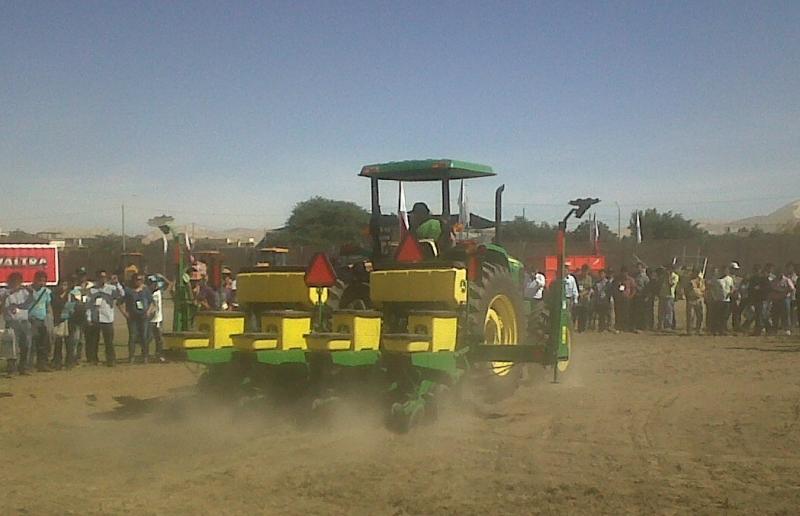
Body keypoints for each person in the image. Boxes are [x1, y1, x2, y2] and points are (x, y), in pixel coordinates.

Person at [85, 270, 123, 366]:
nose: (103, 279)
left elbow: (121, 294)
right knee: (94, 341)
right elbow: (89, 305)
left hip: (107, 318)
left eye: (104, 277)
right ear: (97, 278)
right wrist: (89, 318)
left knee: (109, 341)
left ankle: (111, 359)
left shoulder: (111, 288)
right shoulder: (92, 290)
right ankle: (94, 359)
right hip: (95, 318)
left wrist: (117, 283)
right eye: (101, 277)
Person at [2, 272, 33, 375]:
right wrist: (12, 291)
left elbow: (28, 304)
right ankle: (11, 369)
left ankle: (23, 367)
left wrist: (31, 293)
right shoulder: (4, 291)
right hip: (11, 322)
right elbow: (2, 302)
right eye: (14, 281)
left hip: (24, 321)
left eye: (18, 281)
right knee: (11, 346)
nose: (16, 283)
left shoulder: (24, 292)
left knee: (26, 345)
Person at [120, 273, 155, 364]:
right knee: (132, 336)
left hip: (144, 317)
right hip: (132, 317)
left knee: (144, 336)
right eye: (137, 280)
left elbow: (152, 302)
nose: (139, 281)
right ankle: (131, 356)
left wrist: (149, 311)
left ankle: (145, 356)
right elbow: (119, 303)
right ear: (133, 280)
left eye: (141, 280)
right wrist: (125, 313)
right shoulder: (128, 291)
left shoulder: (145, 290)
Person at [27, 270, 53, 372]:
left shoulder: (46, 292)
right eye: (40, 280)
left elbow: (48, 305)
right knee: (31, 344)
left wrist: (50, 318)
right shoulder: (28, 290)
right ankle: (29, 365)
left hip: (43, 320)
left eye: (44, 281)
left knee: (43, 344)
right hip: (31, 320)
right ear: (35, 280)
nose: (42, 283)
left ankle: (42, 364)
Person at [146, 275, 166, 362]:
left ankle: (159, 354)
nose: (153, 285)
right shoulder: (146, 293)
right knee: (148, 338)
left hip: (158, 319)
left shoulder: (158, 291)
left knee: (159, 338)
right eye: (151, 283)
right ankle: (145, 354)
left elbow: (169, 284)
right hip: (149, 320)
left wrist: (162, 277)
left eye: (154, 283)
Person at [612, 267, 637, 333]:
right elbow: (615, 288)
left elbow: (634, 289)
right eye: (622, 272)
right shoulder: (618, 280)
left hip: (627, 299)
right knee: (619, 313)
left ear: (627, 272)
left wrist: (631, 296)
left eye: (625, 272)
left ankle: (626, 327)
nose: (624, 274)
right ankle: (619, 326)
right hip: (619, 299)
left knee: (626, 313)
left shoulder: (631, 280)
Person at [684, 268, 705, 335]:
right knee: (690, 316)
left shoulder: (701, 280)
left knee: (700, 315)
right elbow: (686, 290)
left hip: (699, 299)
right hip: (691, 299)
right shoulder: (689, 281)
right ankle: (689, 331)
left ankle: (699, 330)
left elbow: (703, 289)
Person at [575, 265, 594, 333]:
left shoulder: (589, 278)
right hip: (579, 297)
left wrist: (584, 294)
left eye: (586, 271)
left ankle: (583, 328)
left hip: (585, 298)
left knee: (585, 313)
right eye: (584, 270)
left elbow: (589, 288)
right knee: (579, 313)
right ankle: (579, 328)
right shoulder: (578, 278)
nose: (585, 272)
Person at [632, 262, 650, 330]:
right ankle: (637, 325)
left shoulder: (645, 277)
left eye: (639, 267)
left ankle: (643, 326)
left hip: (642, 296)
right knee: (636, 311)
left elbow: (647, 288)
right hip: (635, 296)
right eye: (637, 267)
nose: (638, 269)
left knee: (642, 312)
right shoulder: (635, 276)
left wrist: (647, 296)